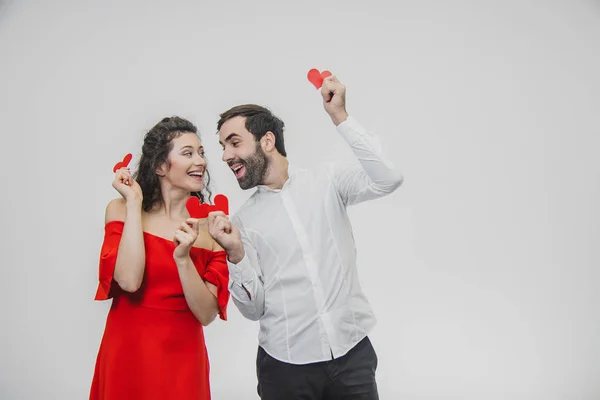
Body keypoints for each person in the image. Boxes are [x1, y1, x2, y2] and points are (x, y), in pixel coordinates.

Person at [207, 75, 403, 399]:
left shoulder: (328, 181)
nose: (226, 155)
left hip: (352, 353)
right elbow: (253, 310)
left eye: (234, 142)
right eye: (223, 147)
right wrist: (236, 255)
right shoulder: (241, 223)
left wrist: (340, 116)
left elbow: (388, 179)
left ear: (266, 141)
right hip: (285, 368)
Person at [90, 116, 230, 400]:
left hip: (183, 360)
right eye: (188, 153)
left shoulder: (211, 228)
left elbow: (206, 314)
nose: (201, 161)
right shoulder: (121, 209)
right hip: (127, 352)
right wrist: (134, 203)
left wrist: (183, 258)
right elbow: (128, 280)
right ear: (159, 166)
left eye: (202, 152)